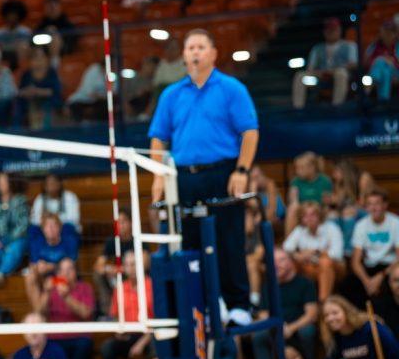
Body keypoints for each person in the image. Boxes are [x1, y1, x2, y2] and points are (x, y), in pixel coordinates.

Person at [149, 29, 259, 326]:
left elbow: (249, 131)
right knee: (190, 244)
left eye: (200, 47)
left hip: (222, 172)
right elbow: (158, 139)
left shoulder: (231, 88)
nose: (194, 52)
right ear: (184, 55)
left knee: (228, 239)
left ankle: (238, 305)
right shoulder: (171, 94)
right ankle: (208, 306)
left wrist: (242, 170)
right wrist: (159, 176)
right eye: (190, 47)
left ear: (213, 53)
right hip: (184, 177)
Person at [26, 257, 95, 359]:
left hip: (78, 336)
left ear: (76, 272)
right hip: (55, 337)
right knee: (47, 348)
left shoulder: (85, 287)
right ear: (57, 274)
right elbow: (39, 312)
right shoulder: (51, 289)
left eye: (70, 269)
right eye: (62, 270)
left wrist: (67, 297)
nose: (66, 273)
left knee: (84, 345)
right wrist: (46, 292)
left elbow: (86, 313)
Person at [251, 248, 319, 359]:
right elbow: (263, 313)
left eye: (281, 260)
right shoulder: (268, 286)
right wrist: (279, 326)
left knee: (307, 331)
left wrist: (291, 328)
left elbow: (311, 314)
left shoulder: (305, 283)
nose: (277, 265)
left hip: (298, 326)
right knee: (259, 336)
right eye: (273, 261)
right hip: (276, 326)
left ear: (291, 262)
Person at [322, 294, 399, 359]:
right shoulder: (335, 339)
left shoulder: (371, 328)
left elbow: (395, 352)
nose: (330, 318)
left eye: (335, 313)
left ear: (346, 312)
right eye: (326, 315)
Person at [100, 251, 154, 359]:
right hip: (128, 335)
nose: (131, 268)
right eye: (128, 265)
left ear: (142, 265)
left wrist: (141, 343)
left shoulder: (152, 286)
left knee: (156, 346)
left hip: (149, 334)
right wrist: (119, 331)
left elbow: (158, 320)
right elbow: (115, 316)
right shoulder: (120, 288)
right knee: (107, 348)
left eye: (134, 264)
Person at [341, 190, 399, 305]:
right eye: (370, 204)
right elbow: (355, 262)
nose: (373, 208)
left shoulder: (395, 223)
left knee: (386, 288)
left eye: (377, 203)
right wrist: (367, 281)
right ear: (366, 207)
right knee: (346, 285)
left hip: (389, 267)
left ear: (385, 205)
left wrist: (380, 276)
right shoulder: (361, 225)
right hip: (369, 267)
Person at [283, 202, 345, 301]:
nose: (309, 218)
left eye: (313, 214)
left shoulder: (331, 228)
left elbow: (336, 254)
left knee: (325, 263)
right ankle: (293, 300)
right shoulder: (300, 230)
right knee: (289, 262)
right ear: (301, 219)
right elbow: (286, 248)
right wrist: (298, 255)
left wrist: (315, 252)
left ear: (319, 215)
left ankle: (323, 301)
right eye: (305, 216)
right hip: (310, 266)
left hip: (335, 267)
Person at [291, 17, 358, 108]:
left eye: (333, 29)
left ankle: (337, 107)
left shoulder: (350, 46)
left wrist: (334, 70)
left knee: (341, 73)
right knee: (300, 75)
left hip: (341, 75)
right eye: (328, 29)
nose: (330, 32)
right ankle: (297, 109)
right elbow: (310, 68)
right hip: (320, 78)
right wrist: (320, 72)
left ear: (339, 30)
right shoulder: (317, 48)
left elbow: (353, 64)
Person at [94, 209, 134, 317]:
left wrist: (122, 269)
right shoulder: (112, 241)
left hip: (132, 276)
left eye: (123, 221)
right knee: (98, 274)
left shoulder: (137, 240)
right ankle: (107, 311)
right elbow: (98, 265)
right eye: (118, 222)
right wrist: (108, 269)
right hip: (116, 277)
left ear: (131, 223)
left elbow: (144, 264)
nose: (120, 225)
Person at [16, 47, 63, 130]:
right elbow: (20, 92)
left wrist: (38, 91)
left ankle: (46, 132)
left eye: (41, 57)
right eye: (35, 57)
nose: (38, 60)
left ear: (46, 59)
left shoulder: (51, 73)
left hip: (48, 101)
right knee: (24, 105)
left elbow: (55, 91)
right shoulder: (26, 74)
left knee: (47, 105)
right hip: (30, 102)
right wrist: (27, 92)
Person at [364, 19, 399, 102]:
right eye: (385, 32)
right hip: (383, 71)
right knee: (385, 72)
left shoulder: (398, 46)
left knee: (380, 61)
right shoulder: (374, 46)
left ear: (395, 34)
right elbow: (366, 63)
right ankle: (383, 101)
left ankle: (367, 91)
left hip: (396, 73)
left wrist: (391, 62)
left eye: (390, 33)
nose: (387, 35)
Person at [288, 152, 333, 216]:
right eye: (296, 168)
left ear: (312, 167)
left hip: (319, 212)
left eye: (301, 168)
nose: (297, 171)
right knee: (292, 209)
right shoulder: (295, 181)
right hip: (302, 213)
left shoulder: (325, 181)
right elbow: (294, 201)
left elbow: (327, 204)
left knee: (332, 214)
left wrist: (315, 210)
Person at [0, 0, 32, 69]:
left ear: (19, 16)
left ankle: (22, 71)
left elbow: (29, 48)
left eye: (14, 14)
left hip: (19, 57)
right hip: (3, 57)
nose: (12, 17)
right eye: (10, 14)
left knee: (23, 47)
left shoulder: (25, 32)